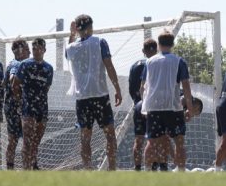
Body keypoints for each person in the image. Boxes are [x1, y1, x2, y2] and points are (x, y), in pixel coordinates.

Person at [65, 14, 123, 170]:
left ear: (77, 29)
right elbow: (109, 66)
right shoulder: (99, 42)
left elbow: (67, 53)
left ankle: (88, 168)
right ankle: (111, 168)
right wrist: (117, 88)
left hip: (82, 99)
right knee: (110, 135)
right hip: (100, 96)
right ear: (91, 27)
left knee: (85, 137)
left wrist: (71, 35)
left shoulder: (71, 47)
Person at [141, 31, 196, 172]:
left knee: (152, 142)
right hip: (173, 107)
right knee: (179, 141)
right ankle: (181, 171)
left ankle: (146, 171)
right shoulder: (179, 61)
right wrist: (189, 108)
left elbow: (143, 88)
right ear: (172, 44)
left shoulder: (149, 62)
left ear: (158, 45)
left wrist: (145, 107)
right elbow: (186, 88)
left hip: (153, 107)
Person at [12, 38, 53, 170]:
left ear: (44, 50)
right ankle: (26, 168)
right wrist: (20, 102)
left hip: (42, 108)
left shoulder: (48, 68)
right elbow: (15, 85)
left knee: (36, 142)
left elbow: (46, 88)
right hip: (28, 107)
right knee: (27, 141)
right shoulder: (25, 64)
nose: (37, 51)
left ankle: (33, 165)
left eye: (39, 49)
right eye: (34, 48)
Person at [128, 39, 157, 171]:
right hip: (152, 106)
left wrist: (137, 102)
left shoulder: (134, 65)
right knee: (155, 139)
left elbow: (131, 87)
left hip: (139, 105)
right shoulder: (156, 64)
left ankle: (138, 168)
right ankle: (153, 167)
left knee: (138, 140)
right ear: (156, 50)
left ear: (143, 51)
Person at [3, 39, 30, 170]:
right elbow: (12, 79)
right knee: (17, 140)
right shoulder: (16, 64)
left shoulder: (17, 64)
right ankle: (19, 168)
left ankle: (17, 168)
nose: (30, 51)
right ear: (18, 51)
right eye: (27, 49)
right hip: (15, 107)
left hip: (13, 106)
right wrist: (19, 102)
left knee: (18, 140)